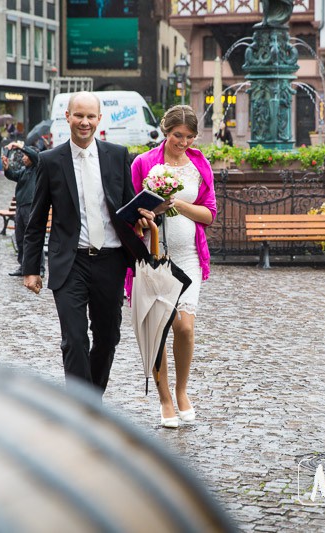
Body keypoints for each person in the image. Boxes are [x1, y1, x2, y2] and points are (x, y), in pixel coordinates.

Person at [21, 91, 158, 392]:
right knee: (75, 339)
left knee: (108, 338)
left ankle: (91, 398)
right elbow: (36, 218)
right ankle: (81, 411)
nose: (85, 122)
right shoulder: (50, 161)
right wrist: (31, 269)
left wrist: (143, 215)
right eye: (79, 115)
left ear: (99, 118)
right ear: (67, 117)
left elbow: (126, 206)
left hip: (111, 260)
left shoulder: (117, 155)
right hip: (70, 262)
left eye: (90, 116)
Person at [129, 104, 218, 428]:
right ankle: (165, 398)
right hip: (153, 259)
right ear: (166, 131)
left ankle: (182, 390)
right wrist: (148, 215)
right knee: (158, 330)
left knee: (184, 327)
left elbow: (209, 214)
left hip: (190, 257)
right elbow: (131, 217)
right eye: (178, 135)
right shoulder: (144, 163)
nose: (183, 142)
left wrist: (178, 204)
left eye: (190, 137)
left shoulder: (199, 164)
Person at [4, 145, 39, 276]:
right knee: (20, 238)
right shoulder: (25, 170)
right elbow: (13, 175)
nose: (23, 158)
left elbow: (36, 156)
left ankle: (38, 267)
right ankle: (23, 266)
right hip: (20, 206)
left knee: (33, 238)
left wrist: (20, 146)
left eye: (25, 156)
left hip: (30, 206)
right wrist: (7, 168)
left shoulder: (37, 167)